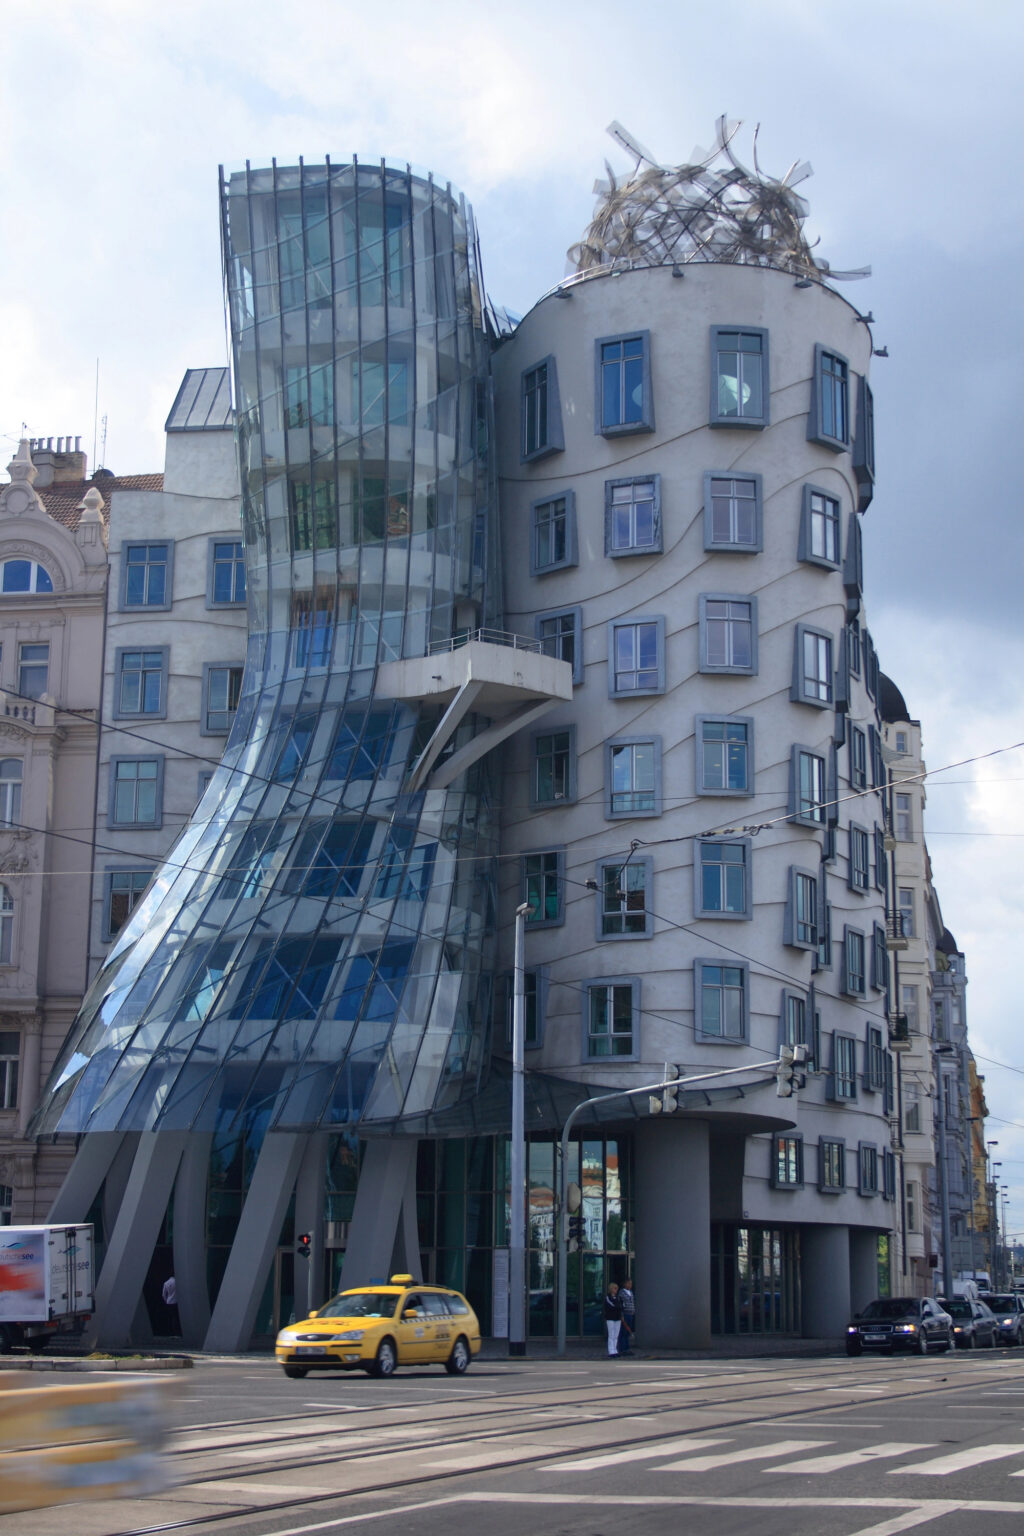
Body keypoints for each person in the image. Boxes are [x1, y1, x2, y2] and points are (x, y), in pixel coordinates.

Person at [618, 1276, 636, 1354]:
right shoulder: (622, 1293)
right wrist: (621, 1314)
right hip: (625, 1314)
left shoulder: (631, 1292)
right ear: (625, 1284)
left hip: (631, 1314)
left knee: (628, 1332)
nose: (630, 1285)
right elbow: (620, 1304)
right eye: (629, 1283)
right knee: (624, 1331)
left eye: (631, 1284)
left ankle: (627, 1347)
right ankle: (622, 1348)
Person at [603, 1281, 621, 1357]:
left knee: (616, 1335)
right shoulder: (608, 1298)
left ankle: (615, 1349)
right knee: (611, 1334)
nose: (616, 1290)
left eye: (617, 1288)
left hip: (618, 1318)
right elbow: (612, 1306)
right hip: (610, 1318)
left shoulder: (618, 1298)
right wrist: (618, 1307)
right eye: (614, 1288)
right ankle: (611, 1351)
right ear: (611, 1289)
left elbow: (621, 1306)